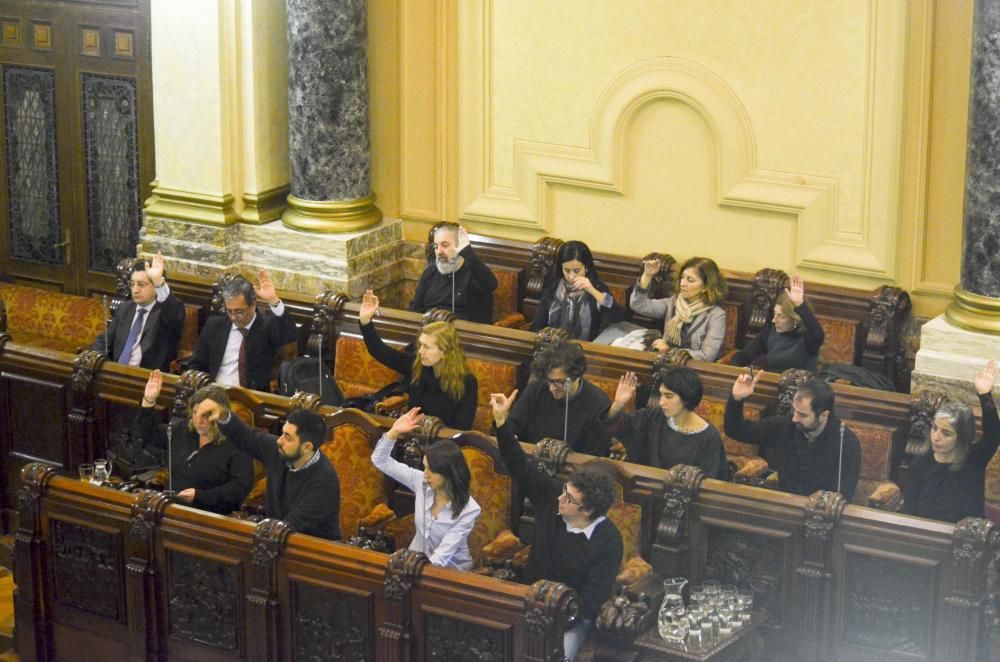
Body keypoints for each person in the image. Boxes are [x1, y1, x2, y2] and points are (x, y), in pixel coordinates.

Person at [492, 389, 622, 661]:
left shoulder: (609, 540)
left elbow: (589, 602)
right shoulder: (551, 497)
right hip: (529, 602)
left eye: (569, 498)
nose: (560, 498)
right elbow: (519, 465)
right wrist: (502, 424)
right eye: (564, 490)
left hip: (570, 619)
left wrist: (552, 623)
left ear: (588, 510)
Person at [209, 398, 341, 540]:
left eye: (288, 437)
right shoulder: (279, 450)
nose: (279, 441)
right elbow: (246, 437)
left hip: (313, 550)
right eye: (282, 433)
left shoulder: (324, 482)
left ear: (307, 447)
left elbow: (292, 525)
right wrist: (223, 414)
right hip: (276, 537)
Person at [371, 406, 481, 569]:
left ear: (449, 474)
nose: (425, 474)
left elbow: (442, 556)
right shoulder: (421, 481)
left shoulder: (470, 509)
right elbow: (380, 461)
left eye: (432, 470)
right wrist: (394, 432)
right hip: (415, 563)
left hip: (451, 572)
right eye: (425, 467)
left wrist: (411, 570)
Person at [724, 370, 861, 500]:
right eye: (794, 411)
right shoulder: (785, 425)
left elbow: (844, 494)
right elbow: (737, 430)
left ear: (824, 415)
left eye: (802, 415)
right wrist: (736, 399)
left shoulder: (846, 442)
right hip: (785, 508)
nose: (795, 418)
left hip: (822, 515)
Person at [135, 370, 253, 515]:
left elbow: (239, 489)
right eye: (195, 412)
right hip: (170, 510)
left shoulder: (237, 443)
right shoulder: (184, 429)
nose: (198, 420)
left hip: (210, 517)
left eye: (205, 415)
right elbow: (150, 434)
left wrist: (200, 496)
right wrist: (149, 401)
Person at [359, 289, 478, 430]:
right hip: (411, 438)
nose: (421, 351)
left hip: (444, 446)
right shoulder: (416, 365)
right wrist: (365, 321)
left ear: (444, 352)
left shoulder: (467, 382)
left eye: (427, 347)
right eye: (420, 345)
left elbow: (462, 427)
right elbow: (380, 352)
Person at [902, 360, 1000, 522]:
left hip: (966, 541)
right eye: (934, 428)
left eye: (946, 433)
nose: (936, 436)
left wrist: (984, 394)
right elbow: (911, 515)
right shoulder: (918, 466)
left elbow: (994, 434)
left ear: (961, 436)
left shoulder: (974, 459)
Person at [606, 368, 727, 479]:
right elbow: (620, 428)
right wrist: (618, 404)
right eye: (661, 395)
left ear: (686, 398)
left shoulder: (709, 438)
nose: (661, 402)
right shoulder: (654, 417)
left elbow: (708, 481)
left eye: (669, 396)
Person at [188, 270, 298, 392]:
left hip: (250, 397)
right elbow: (197, 363)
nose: (234, 317)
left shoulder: (267, 326)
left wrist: (274, 301)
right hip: (214, 392)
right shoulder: (215, 325)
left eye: (239, 311)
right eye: (229, 311)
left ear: (253, 306)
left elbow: (290, 334)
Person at [507, 341, 612, 457]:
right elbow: (514, 429)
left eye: (559, 382)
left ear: (576, 377)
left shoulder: (598, 404)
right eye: (549, 381)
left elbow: (595, 456)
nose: (551, 388)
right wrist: (501, 420)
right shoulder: (536, 390)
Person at [93, 253, 186, 370]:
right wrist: (105, 367)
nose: (135, 290)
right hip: (116, 375)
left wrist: (159, 283)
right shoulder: (125, 309)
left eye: (141, 285)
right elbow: (103, 341)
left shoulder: (165, 313)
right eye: (132, 284)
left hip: (146, 379)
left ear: (155, 287)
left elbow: (174, 315)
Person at [630, 256, 728, 361]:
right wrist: (647, 275)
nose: (682, 284)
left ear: (705, 287)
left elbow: (707, 356)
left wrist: (670, 351)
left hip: (693, 371)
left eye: (690, 280)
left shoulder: (716, 315)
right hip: (664, 365)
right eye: (682, 277)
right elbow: (638, 305)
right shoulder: (673, 303)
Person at [531, 240, 623, 341]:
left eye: (576, 271)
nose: (571, 276)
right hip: (553, 346)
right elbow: (537, 326)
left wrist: (593, 291)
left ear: (586, 267)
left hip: (587, 349)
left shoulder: (598, 287)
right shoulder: (552, 289)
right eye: (566, 270)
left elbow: (618, 317)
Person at [730, 275, 825, 372]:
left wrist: (799, 304)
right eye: (775, 314)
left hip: (801, 386)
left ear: (795, 319)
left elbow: (818, 334)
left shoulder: (808, 339)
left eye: (781, 316)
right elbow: (743, 356)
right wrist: (740, 370)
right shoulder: (770, 333)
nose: (774, 320)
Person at [408, 223, 498, 323]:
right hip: (430, 330)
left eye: (445, 245)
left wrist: (467, 253)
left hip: (465, 334)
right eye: (436, 246)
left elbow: (491, 284)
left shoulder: (473, 272)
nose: (439, 251)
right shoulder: (430, 272)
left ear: (460, 246)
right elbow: (414, 309)